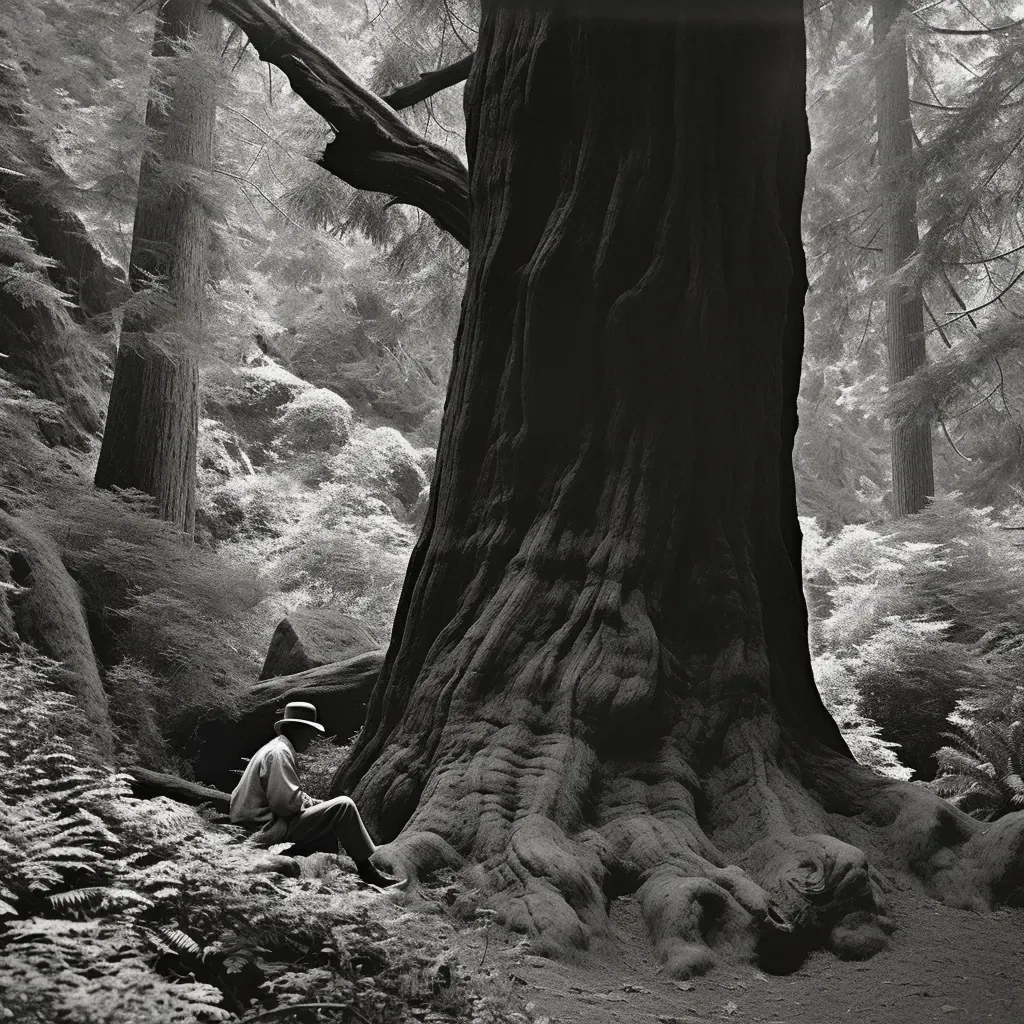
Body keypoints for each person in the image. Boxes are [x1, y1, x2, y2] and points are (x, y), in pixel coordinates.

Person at [230, 700, 405, 888]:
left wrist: (315, 804)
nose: (311, 739)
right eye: (310, 732)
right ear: (298, 730)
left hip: (258, 825)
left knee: (328, 822)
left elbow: (288, 796)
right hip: (264, 829)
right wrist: (313, 806)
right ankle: (368, 872)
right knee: (343, 805)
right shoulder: (279, 753)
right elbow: (285, 805)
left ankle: (327, 878)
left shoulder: (277, 748)